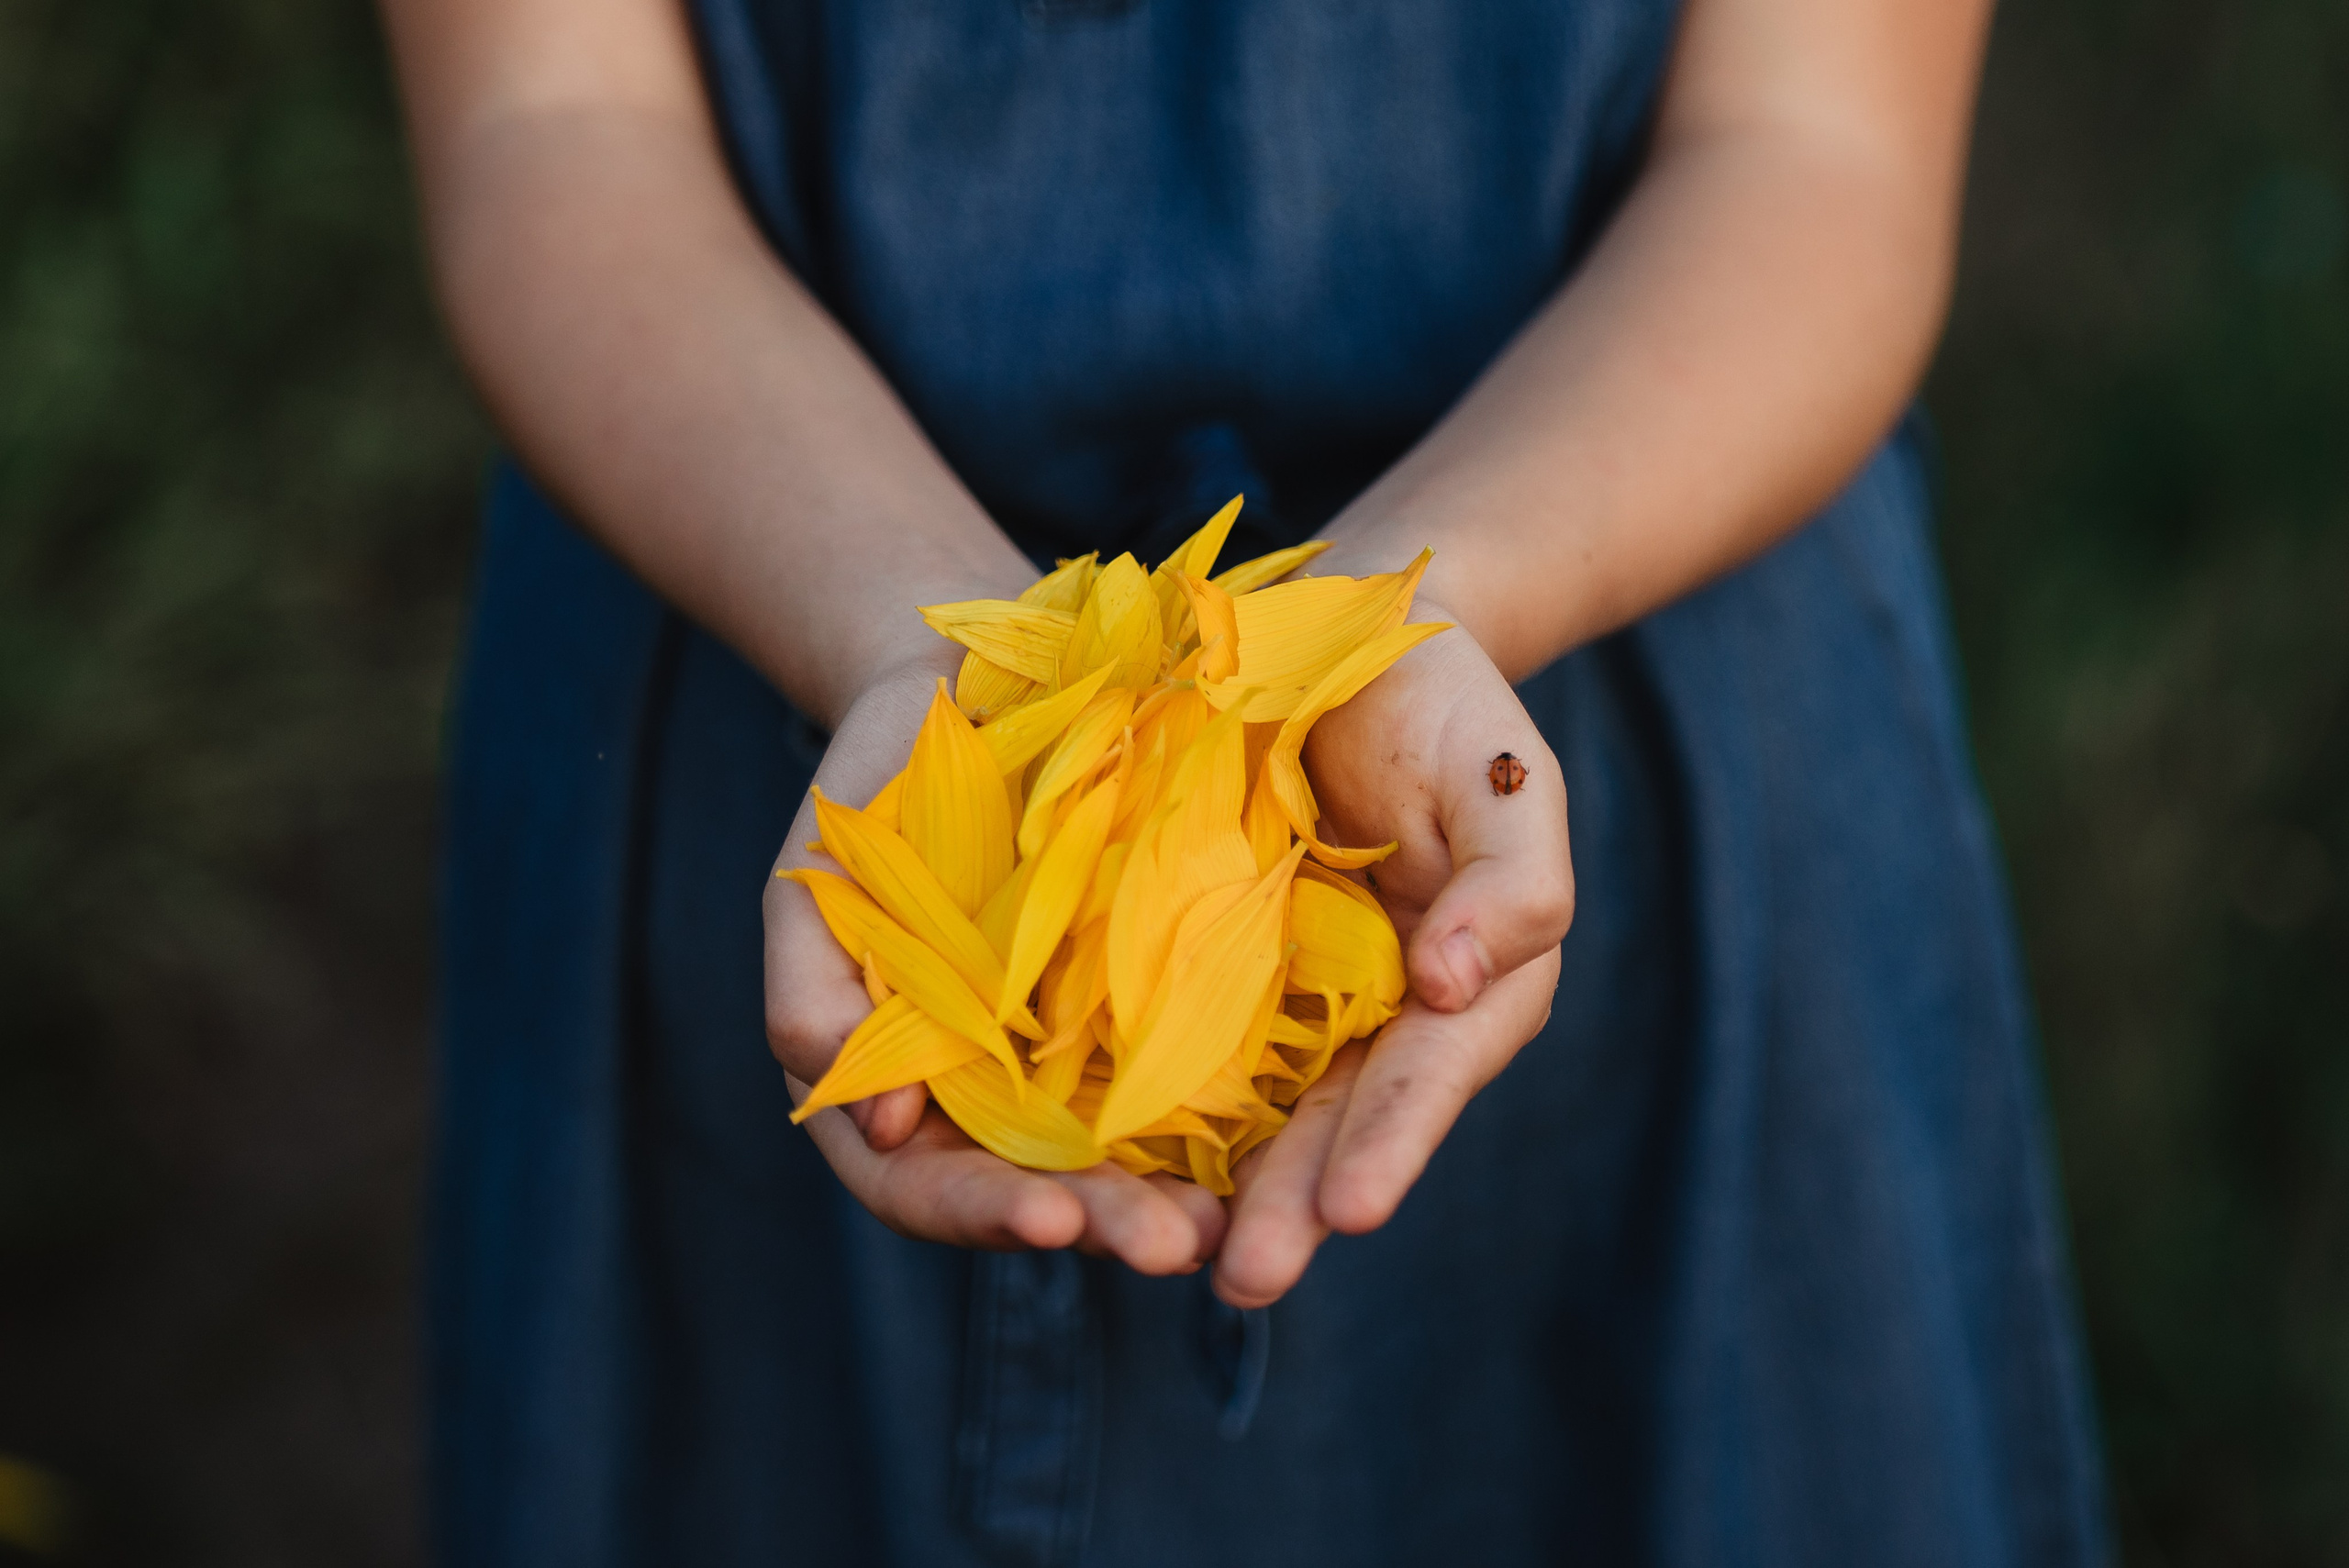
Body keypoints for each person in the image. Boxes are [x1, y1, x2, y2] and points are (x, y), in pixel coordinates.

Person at [383, 0, 2110, 1561]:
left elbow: (1816, 152)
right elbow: (548, 119)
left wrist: (1390, 627)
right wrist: (924, 652)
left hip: (1620, 606)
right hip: (762, 566)